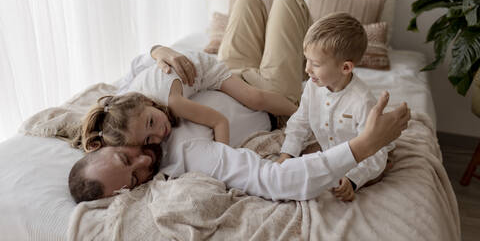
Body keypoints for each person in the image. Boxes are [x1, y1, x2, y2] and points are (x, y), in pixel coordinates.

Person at [69, 90, 410, 203]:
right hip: (275, 93)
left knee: (254, 6)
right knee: (286, 4)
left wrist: (162, 50)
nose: (143, 159)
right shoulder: (188, 155)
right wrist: (363, 146)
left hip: (235, 73)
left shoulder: (123, 112)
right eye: (133, 179)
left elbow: (142, 65)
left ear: (104, 144)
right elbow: (276, 180)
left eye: (123, 156)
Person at [276, 12, 395, 202]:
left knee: (373, 169)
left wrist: (353, 180)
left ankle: (373, 170)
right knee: (303, 162)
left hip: (362, 154)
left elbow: (373, 149)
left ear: (345, 68)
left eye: (315, 64)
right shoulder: (312, 87)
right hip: (331, 148)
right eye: (307, 60)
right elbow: (301, 122)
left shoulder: (362, 101)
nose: (307, 69)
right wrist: (287, 154)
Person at [81, 49, 298, 151]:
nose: (159, 134)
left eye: (151, 122)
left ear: (146, 103)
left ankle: (299, 112)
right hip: (185, 78)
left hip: (205, 70)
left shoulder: (173, 102)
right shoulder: (122, 109)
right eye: (148, 140)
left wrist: (224, 159)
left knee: (254, 98)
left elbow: (219, 121)